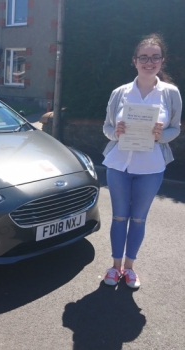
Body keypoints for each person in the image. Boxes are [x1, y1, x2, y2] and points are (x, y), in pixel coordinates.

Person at [102, 33, 182, 288]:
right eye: (144, 57)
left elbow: (175, 129)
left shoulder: (170, 93)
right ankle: (115, 268)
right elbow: (106, 127)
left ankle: (130, 268)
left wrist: (161, 135)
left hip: (151, 167)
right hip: (119, 165)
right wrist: (116, 131)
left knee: (138, 219)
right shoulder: (120, 93)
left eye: (155, 57)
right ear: (134, 61)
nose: (149, 62)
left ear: (162, 61)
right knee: (119, 217)